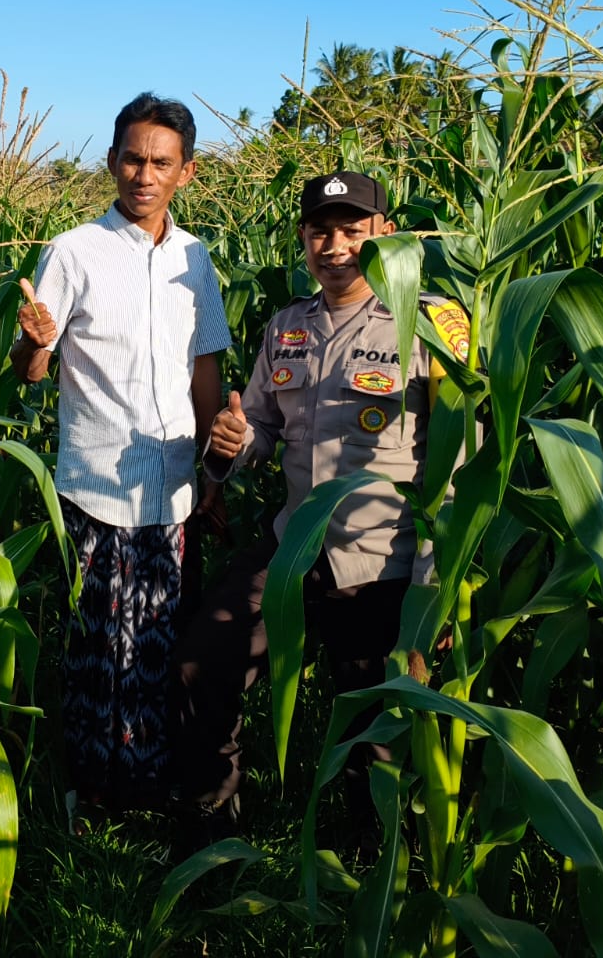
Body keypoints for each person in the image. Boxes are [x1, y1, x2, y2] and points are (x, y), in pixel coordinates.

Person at [170, 169, 468, 842]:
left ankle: (377, 860)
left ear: (387, 234)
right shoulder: (288, 327)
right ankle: (213, 821)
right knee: (201, 661)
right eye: (319, 232)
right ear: (303, 237)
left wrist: (435, 588)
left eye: (352, 231)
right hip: (296, 549)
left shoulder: (432, 325)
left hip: (384, 560)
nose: (334, 248)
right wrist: (234, 441)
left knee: (376, 733)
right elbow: (261, 427)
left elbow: (459, 468)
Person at [9, 91, 230, 820]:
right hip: (98, 489)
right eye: (133, 159)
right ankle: (94, 787)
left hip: (172, 490)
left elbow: (205, 368)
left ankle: (149, 783)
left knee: (159, 642)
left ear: (186, 173)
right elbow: (31, 370)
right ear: (111, 162)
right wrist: (35, 344)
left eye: (161, 163)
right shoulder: (73, 252)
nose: (144, 175)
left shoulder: (195, 259)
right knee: (100, 650)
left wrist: (214, 474)